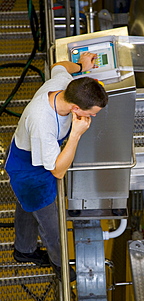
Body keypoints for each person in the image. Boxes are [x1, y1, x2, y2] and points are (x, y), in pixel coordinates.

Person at [5, 52, 108, 282]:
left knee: (27, 204)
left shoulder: (63, 85)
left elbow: (58, 65)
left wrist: (80, 66)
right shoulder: (43, 122)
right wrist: (76, 135)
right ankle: (60, 265)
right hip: (28, 170)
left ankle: (24, 249)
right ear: (75, 109)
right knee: (52, 225)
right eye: (91, 114)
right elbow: (58, 171)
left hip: (32, 152)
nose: (92, 117)